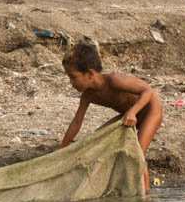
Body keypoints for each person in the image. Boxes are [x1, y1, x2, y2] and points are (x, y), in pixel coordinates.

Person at [59, 42, 162, 193]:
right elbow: (76, 122)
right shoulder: (88, 96)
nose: (70, 82)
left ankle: (145, 195)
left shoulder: (114, 81)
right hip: (128, 116)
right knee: (97, 138)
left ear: (90, 74)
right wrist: (62, 150)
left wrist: (133, 111)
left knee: (137, 152)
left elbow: (148, 92)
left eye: (73, 77)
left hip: (150, 111)